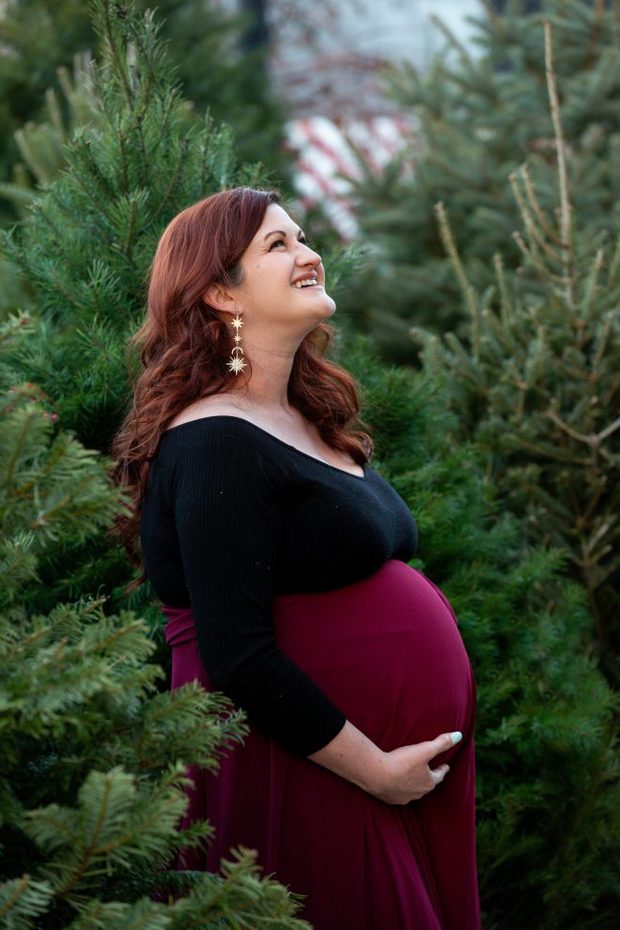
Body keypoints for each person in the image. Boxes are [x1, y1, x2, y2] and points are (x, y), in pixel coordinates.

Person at [113, 187, 481, 930]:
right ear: (220, 292)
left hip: (366, 766)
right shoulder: (214, 439)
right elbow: (237, 655)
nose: (308, 254)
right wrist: (377, 772)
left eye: (302, 237)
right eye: (277, 246)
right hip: (299, 765)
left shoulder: (303, 417)